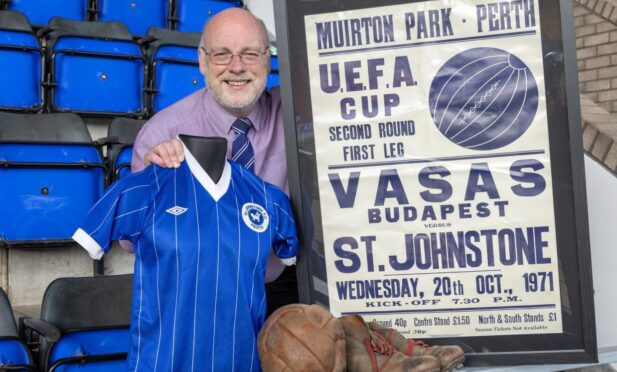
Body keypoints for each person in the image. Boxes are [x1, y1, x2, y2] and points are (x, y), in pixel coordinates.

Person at [130, 8, 297, 315]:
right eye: (222, 54)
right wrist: (151, 190)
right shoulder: (162, 133)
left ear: (267, 60)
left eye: (250, 54)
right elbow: (130, 242)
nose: (237, 67)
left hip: (282, 285)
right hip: (199, 291)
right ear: (202, 61)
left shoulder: (296, 113)